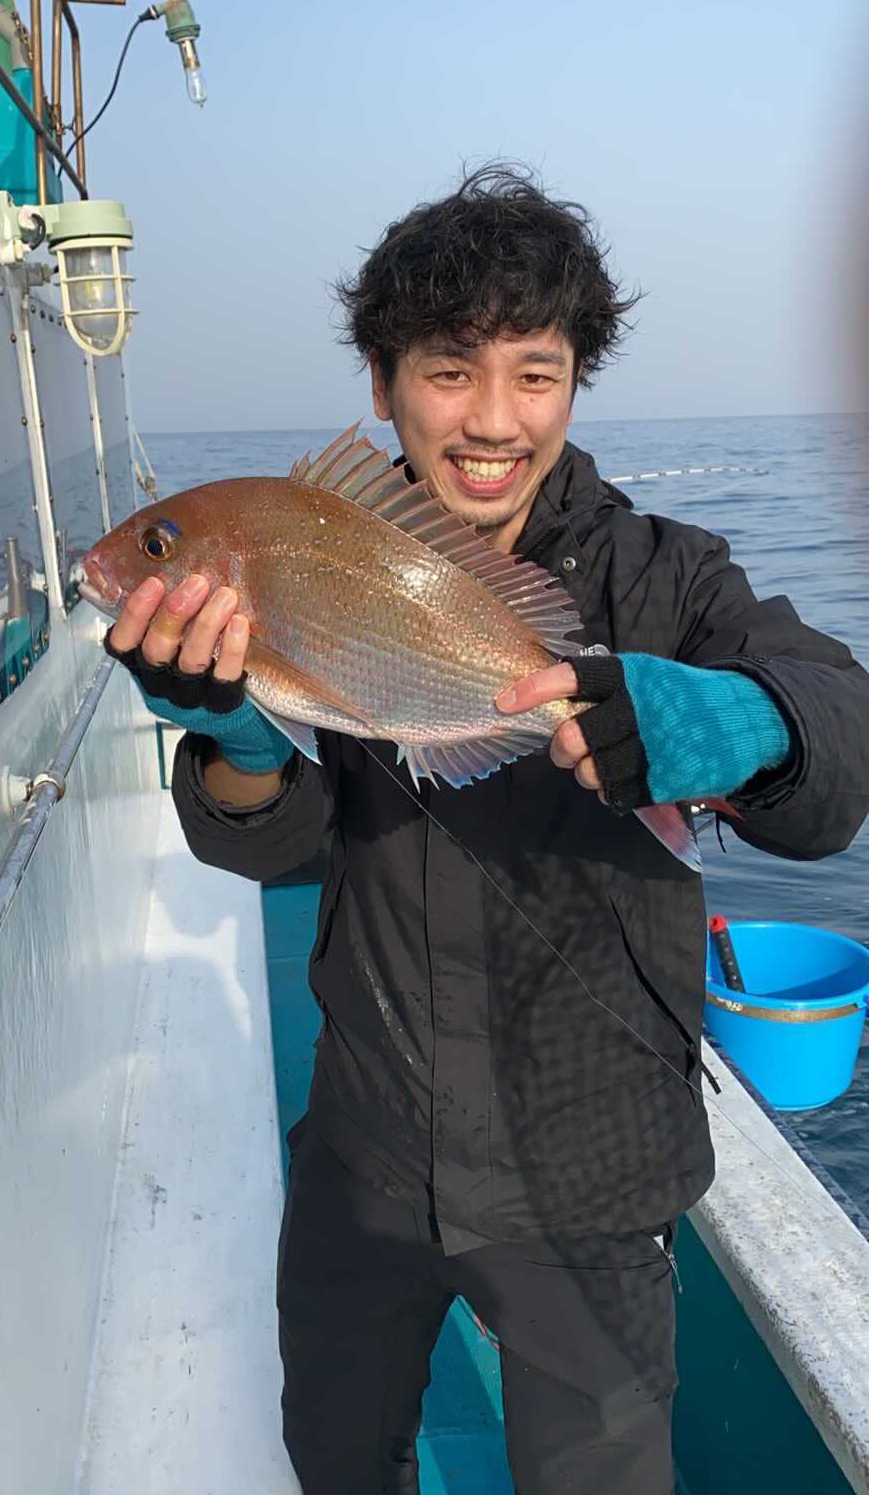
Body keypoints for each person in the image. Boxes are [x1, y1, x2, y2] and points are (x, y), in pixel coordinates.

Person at [104, 166, 869, 1494]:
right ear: (384, 382)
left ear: (576, 384)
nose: (494, 422)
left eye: (537, 373)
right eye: (450, 372)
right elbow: (273, 849)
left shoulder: (667, 574)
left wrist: (749, 721)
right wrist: (241, 742)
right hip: (368, 1150)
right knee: (338, 1455)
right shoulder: (320, 544)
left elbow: (839, 739)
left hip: (594, 1169)